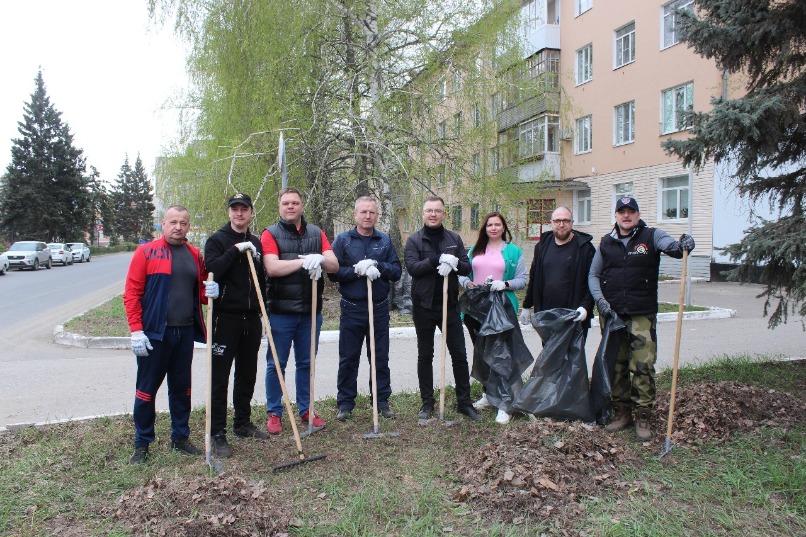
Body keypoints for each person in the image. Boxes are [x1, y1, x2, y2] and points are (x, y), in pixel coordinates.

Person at [588, 196, 695, 441]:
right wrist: (601, 301)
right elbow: (593, 274)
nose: (626, 216)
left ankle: (643, 415)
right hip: (612, 315)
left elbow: (673, 248)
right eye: (621, 211)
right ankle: (622, 412)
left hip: (641, 314)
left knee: (643, 365)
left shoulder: (651, 236)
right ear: (615, 215)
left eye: (631, 211)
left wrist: (682, 245)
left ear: (637, 214)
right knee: (616, 365)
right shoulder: (606, 242)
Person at [124, 205, 215, 464]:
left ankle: (180, 438)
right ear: (162, 224)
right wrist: (136, 330)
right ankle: (142, 443)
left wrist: (210, 293)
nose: (178, 227)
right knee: (146, 390)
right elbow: (132, 293)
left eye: (183, 223)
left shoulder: (194, 255)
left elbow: (198, 294)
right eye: (173, 221)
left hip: (184, 332)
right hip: (154, 335)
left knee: (181, 388)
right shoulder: (146, 252)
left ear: (188, 226)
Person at [260, 187, 339, 434]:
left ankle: (306, 409)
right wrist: (306, 261)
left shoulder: (317, 232)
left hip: (310, 312)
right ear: (280, 207)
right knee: (276, 364)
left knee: (306, 364)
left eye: (295, 202)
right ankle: (274, 412)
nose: (291, 207)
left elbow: (334, 265)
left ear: (302, 206)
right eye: (286, 203)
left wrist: (321, 261)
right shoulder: (270, 234)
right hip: (281, 311)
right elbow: (272, 267)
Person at [203, 193, 270, 458]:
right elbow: (212, 268)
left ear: (251, 212)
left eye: (244, 209)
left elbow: (262, 279)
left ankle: (242, 422)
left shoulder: (256, 242)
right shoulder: (217, 240)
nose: (239, 214)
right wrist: (235, 251)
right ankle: (216, 431)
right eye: (235, 210)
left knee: (247, 373)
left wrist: (263, 305)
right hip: (225, 318)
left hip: (251, 318)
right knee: (219, 377)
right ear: (229, 212)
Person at [404, 195, 481, 421]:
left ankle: (464, 403)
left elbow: (466, 267)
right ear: (423, 213)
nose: (433, 214)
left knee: (459, 355)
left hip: (449, 306)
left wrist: (455, 263)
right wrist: (437, 260)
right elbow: (412, 268)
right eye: (429, 210)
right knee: (425, 355)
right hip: (424, 307)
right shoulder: (414, 241)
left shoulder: (454, 239)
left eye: (438, 210)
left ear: (444, 213)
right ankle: (427, 403)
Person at [328, 196, 402, 421]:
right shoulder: (343, 240)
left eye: (371, 212)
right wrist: (356, 271)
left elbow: (397, 271)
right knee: (348, 357)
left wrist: (378, 265)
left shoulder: (385, 240)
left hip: (378, 308)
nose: (367, 216)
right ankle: (345, 403)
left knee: (379, 357)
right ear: (355, 214)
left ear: (377, 215)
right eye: (363, 212)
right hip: (352, 308)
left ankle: (381, 401)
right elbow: (333, 273)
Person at [459, 211, 527, 424]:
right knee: (482, 354)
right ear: (485, 228)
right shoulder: (474, 250)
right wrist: (466, 283)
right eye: (490, 225)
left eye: (498, 224)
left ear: (504, 228)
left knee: (502, 356)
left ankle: (505, 403)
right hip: (476, 309)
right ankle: (489, 395)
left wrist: (505, 285)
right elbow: (463, 273)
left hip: (502, 309)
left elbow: (522, 279)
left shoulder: (513, 251)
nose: (494, 228)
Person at [519, 206, 596, 339]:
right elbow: (534, 277)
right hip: (547, 316)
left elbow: (593, 281)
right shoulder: (542, 246)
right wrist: (527, 305)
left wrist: (586, 307)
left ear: (572, 222)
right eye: (557, 221)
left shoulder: (585, 248)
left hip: (575, 316)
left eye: (566, 221)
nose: (561, 224)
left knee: (573, 359)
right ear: (551, 223)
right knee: (549, 358)